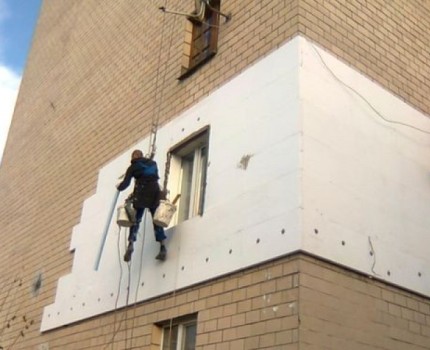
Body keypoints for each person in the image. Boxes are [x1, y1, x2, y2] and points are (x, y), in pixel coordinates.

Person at [116, 149, 167, 262]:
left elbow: (126, 183)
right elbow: (154, 176)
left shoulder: (133, 167)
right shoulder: (153, 164)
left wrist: (119, 187)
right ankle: (162, 246)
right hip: (154, 192)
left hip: (141, 193)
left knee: (135, 220)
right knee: (156, 220)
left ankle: (131, 244)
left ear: (134, 157)